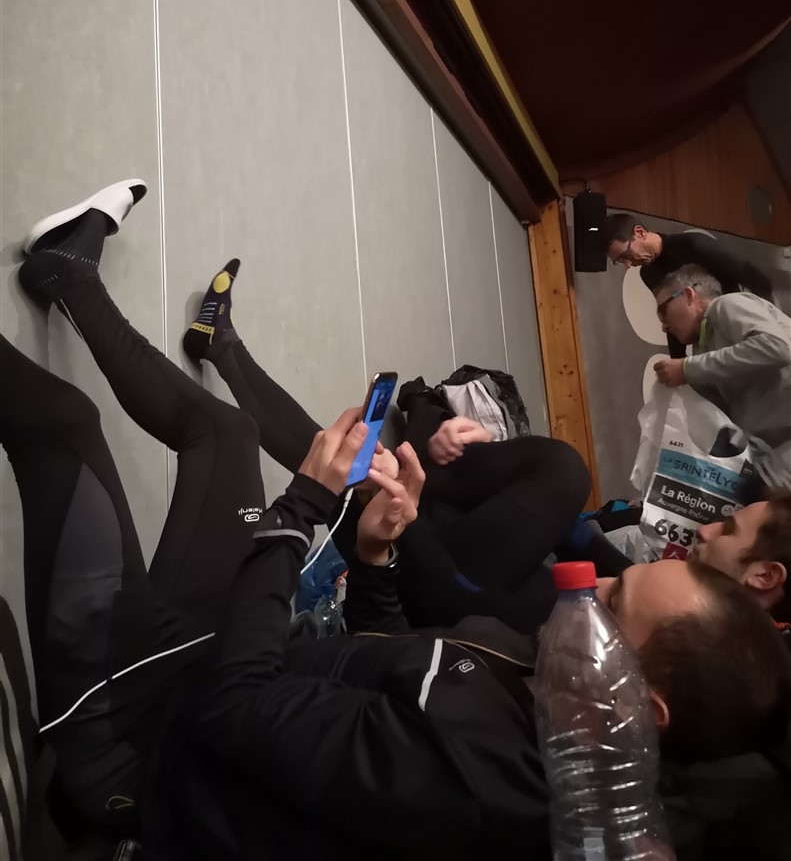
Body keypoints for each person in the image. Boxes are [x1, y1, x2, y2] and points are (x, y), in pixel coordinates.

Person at [5, 182, 791, 861]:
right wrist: (377, 557)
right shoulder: (561, 696)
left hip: (142, 733)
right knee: (229, 432)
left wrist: (303, 507)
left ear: (640, 707)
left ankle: (116, 298)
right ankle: (69, 272)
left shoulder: (469, 777)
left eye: (613, 606)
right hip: (214, 663)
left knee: (63, 425)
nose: (586, 589)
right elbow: (387, 657)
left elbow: (233, 709)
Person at [181, 258, 592, 635]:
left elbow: (459, 609)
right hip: (470, 560)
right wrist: (480, 458)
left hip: (440, 605)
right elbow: (566, 529)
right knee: (564, 473)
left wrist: (396, 511)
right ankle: (221, 344)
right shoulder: (611, 580)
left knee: (343, 470)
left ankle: (221, 344)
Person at [651, 265, 791, 488]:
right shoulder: (703, 348)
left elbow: (777, 348)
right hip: (773, 450)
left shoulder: (726, 305)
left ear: (688, 295)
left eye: (663, 311)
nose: (664, 325)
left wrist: (688, 369)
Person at [604, 212, 774, 358]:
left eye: (626, 255)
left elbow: (757, 281)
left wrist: (767, 328)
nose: (628, 264)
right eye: (620, 261)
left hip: (739, 333)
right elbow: (672, 315)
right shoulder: (648, 273)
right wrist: (677, 360)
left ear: (640, 232)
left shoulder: (694, 244)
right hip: (708, 350)